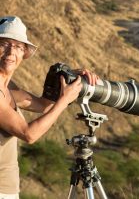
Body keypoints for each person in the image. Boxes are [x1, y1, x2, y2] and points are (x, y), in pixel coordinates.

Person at [0, 16, 98, 199]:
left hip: (8, 189)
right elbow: (29, 134)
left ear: (24, 54)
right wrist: (65, 99)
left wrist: (71, 78)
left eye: (18, 47)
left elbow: (44, 105)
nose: (11, 52)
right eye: (5, 43)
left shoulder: (8, 86)